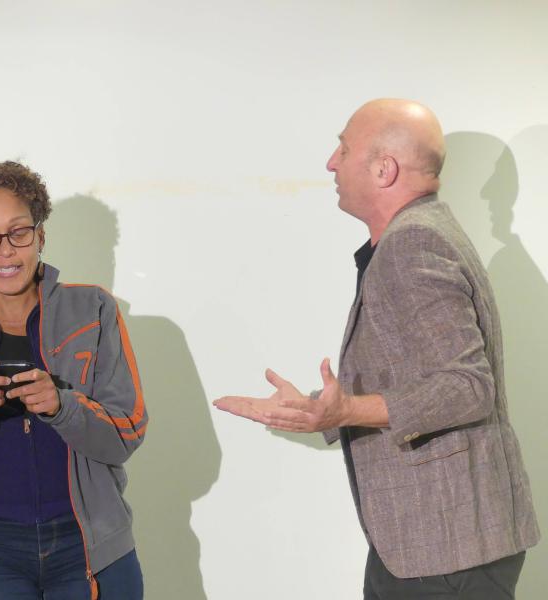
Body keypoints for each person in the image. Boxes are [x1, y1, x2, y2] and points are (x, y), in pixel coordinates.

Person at [214, 99, 540, 598]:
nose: (331, 163)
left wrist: (345, 410)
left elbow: (468, 387)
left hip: (446, 552)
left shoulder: (414, 244)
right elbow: (420, 376)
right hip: (436, 545)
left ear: (384, 169)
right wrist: (320, 409)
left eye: (344, 149)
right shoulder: (422, 233)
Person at [0, 161, 147, 599]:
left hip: (90, 544)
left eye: (18, 231)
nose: (5, 250)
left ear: (40, 235)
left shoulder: (94, 309)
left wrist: (61, 406)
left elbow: (125, 436)